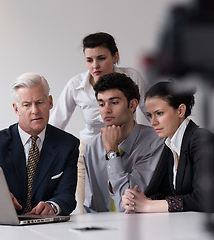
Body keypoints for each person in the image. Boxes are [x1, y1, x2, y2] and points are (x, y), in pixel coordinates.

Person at [49, 32, 148, 213]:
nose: (95, 66)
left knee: (127, 205)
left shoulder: (132, 77)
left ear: (115, 56)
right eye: (89, 60)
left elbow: (150, 113)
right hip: (89, 151)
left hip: (128, 148)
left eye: (101, 58)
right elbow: (56, 123)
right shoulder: (76, 85)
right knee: (86, 210)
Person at [0, 72, 79, 216]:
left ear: (50, 102)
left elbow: (66, 196)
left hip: (44, 227)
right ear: (16, 109)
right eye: (27, 105)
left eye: (40, 102)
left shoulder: (68, 145)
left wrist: (52, 206)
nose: (35, 111)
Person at [122, 81, 214, 213]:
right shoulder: (171, 145)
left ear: (180, 111)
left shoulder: (202, 139)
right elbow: (166, 193)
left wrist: (147, 206)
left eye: (159, 113)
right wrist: (136, 201)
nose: (153, 122)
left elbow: (203, 199)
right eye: (150, 115)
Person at [83, 72, 163, 213]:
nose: (106, 110)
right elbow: (91, 206)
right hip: (103, 231)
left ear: (132, 105)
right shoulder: (92, 147)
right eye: (101, 104)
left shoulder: (155, 143)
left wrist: (111, 151)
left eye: (114, 103)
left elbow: (128, 204)